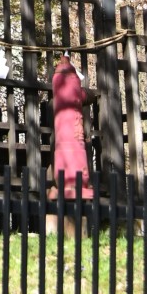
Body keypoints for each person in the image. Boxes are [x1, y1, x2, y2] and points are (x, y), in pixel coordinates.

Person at [50, 53, 94, 206]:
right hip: (75, 135)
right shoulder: (71, 80)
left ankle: (68, 181)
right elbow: (84, 95)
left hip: (66, 138)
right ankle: (80, 180)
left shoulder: (58, 80)